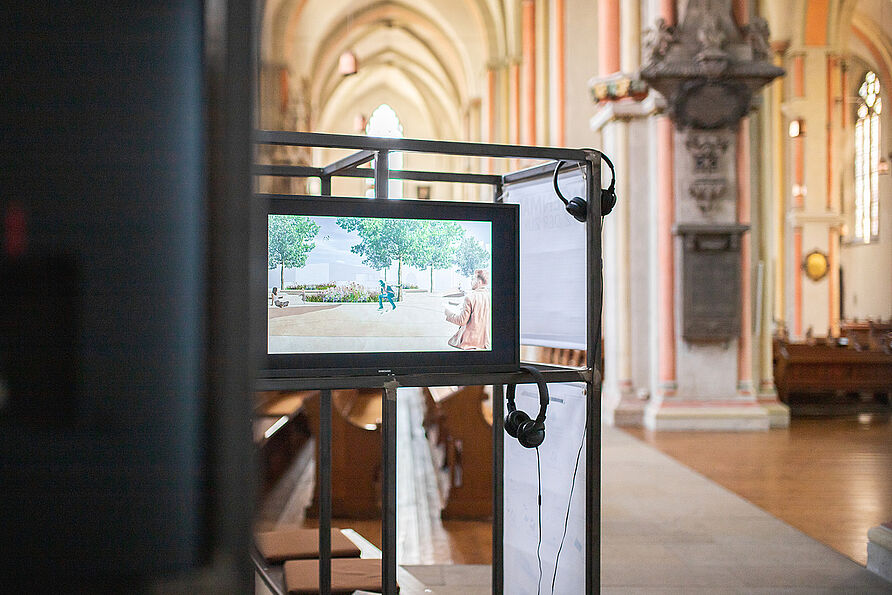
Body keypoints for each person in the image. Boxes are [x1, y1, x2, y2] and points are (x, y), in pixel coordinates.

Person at [445, 269, 491, 350]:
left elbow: (461, 321)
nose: (471, 281)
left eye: (473, 279)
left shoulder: (470, 297)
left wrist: (448, 313)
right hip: (485, 342)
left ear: (479, 282)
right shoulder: (490, 297)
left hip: (469, 342)